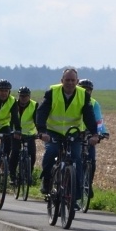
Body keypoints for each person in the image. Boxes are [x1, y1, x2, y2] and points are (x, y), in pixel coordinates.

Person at [35, 68, 100, 207]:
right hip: (53, 131)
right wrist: (42, 131)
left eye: (72, 80)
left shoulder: (83, 95)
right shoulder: (52, 92)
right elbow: (41, 112)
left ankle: (74, 197)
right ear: (62, 81)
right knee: (51, 153)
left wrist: (94, 134)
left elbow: (89, 116)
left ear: (77, 81)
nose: (70, 83)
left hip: (73, 133)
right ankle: (47, 181)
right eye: (67, 80)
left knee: (76, 160)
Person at [78, 79, 109, 198]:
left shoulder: (94, 103)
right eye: (83, 89)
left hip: (89, 134)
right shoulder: (75, 100)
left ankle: (88, 184)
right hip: (76, 133)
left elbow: (99, 119)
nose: (86, 92)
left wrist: (102, 132)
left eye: (89, 90)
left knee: (91, 159)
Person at [9, 86, 38, 186]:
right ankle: (12, 175)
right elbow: (10, 119)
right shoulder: (13, 104)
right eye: (21, 96)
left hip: (29, 134)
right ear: (19, 96)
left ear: (29, 96)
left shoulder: (34, 105)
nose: (23, 98)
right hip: (16, 133)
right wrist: (12, 131)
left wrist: (40, 132)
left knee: (32, 155)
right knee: (15, 152)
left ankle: (28, 174)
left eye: (25, 96)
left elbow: (37, 120)